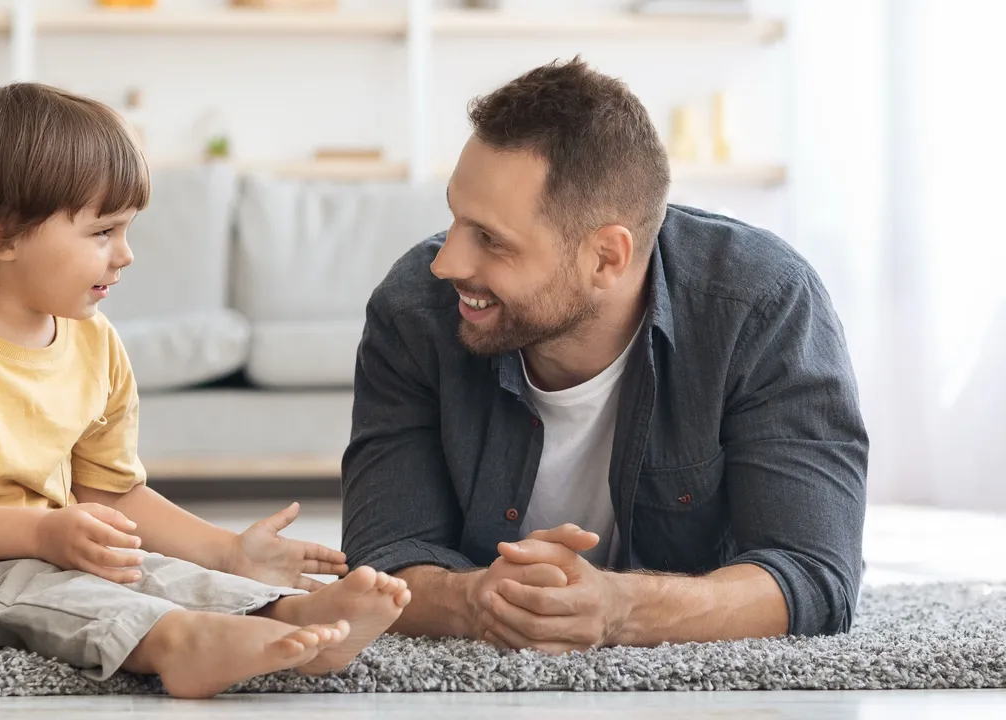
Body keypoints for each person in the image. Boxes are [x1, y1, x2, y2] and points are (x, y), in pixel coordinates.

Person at [0, 83, 410, 700]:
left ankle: (278, 617)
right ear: (2, 235)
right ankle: (178, 645)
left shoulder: (96, 342)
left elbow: (112, 492)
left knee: (141, 567)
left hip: (36, 544)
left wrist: (227, 553)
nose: (125, 255)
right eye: (103, 232)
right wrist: (44, 535)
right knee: (47, 589)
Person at [341, 57, 868, 654]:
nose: (448, 263)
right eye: (456, 219)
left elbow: (815, 577)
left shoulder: (762, 305)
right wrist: (476, 598)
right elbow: (381, 559)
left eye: (490, 239)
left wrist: (621, 608)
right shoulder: (413, 311)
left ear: (606, 258)